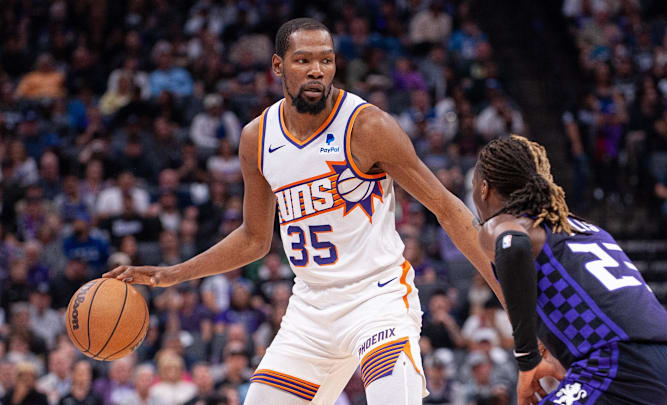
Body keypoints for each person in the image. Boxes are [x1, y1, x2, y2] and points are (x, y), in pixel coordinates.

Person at [104, 18, 506, 405]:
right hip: (310, 310)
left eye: (326, 60)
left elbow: (447, 209)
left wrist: (516, 308)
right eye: (303, 60)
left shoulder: (367, 127)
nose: (317, 70)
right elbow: (254, 239)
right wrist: (173, 274)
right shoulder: (256, 138)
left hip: (377, 300)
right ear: (278, 66)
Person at [471, 135, 667, 405]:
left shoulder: (507, 225)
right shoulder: (582, 228)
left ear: (484, 188)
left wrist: (527, 358)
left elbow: (513, 246)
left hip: (623, 366)